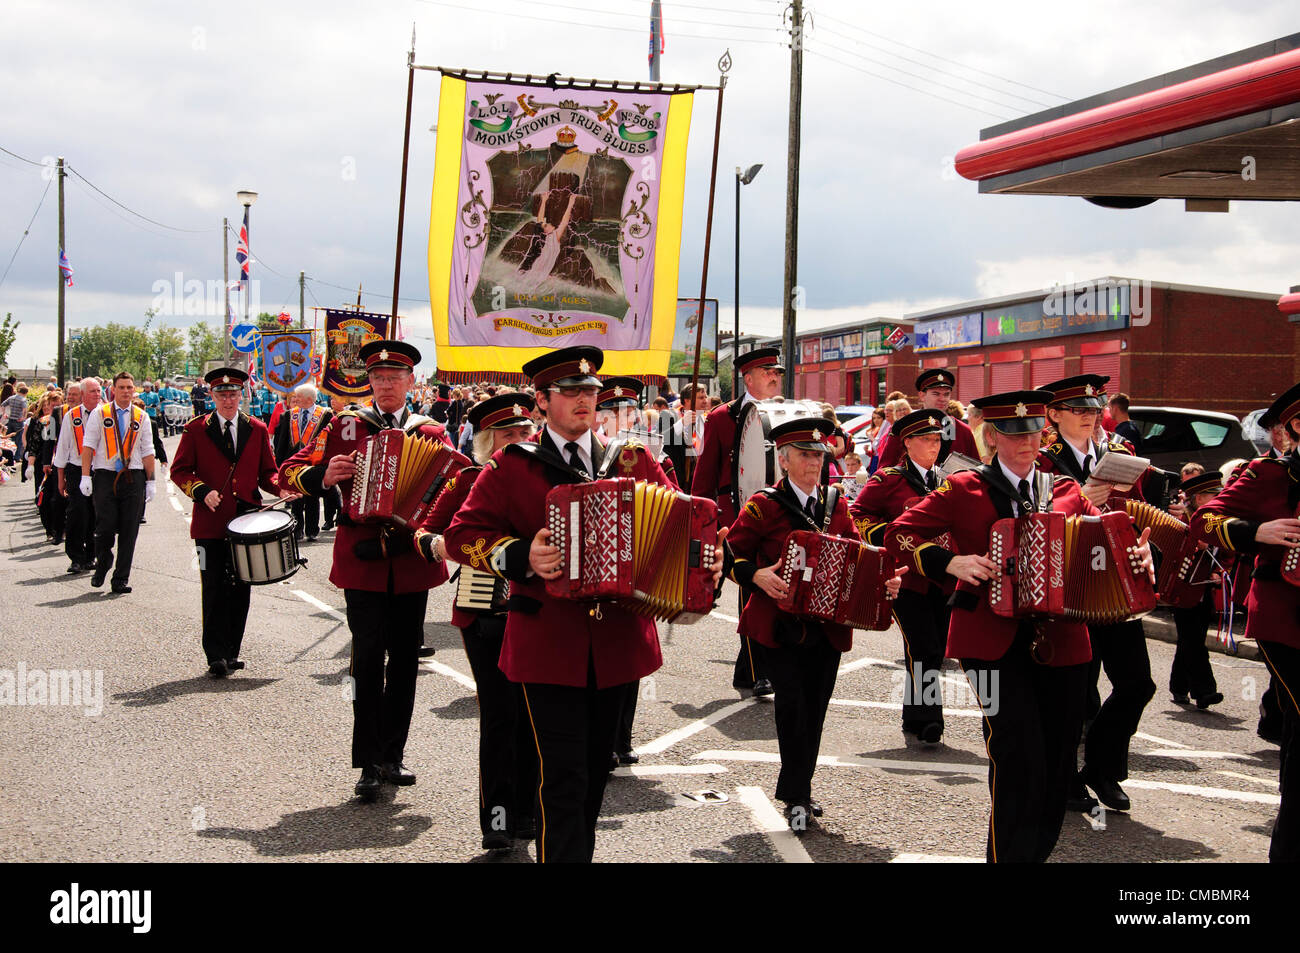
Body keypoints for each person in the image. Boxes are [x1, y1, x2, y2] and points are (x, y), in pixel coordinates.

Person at [444, 345, 721, 862]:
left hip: (618, 643)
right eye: (569, 392)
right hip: (546, 642)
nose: (583, 400)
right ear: (541, 403)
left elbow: (684, 526)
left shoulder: (632, 459)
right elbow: (462, 536)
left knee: (595, 772)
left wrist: (707, 565)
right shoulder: (512, 464)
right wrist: (523, 554)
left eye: (590, 391)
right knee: (563, 775)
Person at [885, 389, 1153, 863]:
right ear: (992, 437)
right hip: (988, 642)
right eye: (1015, 433)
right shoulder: (963, 488)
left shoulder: (1065, 491)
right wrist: (951, 562)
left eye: (1034, 431)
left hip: (1063, 642)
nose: (1028, 442)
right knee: (1017, 754)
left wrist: (1136, 553)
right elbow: (900, 533)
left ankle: (1034, 856)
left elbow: (1107, 537)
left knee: (1055, 761)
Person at [278, 341, 450, 801]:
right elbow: (287, 473)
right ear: (367, 382)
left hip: (411, 561)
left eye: (395, 378)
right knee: (369, 659)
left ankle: (394, 754)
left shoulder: (432, 430)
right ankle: (369, 762)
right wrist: (323, 476)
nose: (386, 385)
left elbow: (454, 487)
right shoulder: (343, 424)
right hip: (362, 559)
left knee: (407, 663)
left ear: (412, 382)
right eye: (378, 378)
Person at [727, 418, 898, 833]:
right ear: (784, 460)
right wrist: (758, 576)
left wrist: (885, 580)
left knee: (815, 710)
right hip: (778, 627)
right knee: (792, 705)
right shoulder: (764, 504)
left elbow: (858, 552)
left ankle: (800, 786)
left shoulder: (836, 502)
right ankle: (796, 793)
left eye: (819, 455)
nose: (814, 462)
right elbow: (730, 553)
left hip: (827, 627)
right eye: (805, 454)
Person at [416, 393, 540, 851]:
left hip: (536, 611)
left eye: (524, 432)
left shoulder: (547, 475)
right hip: (481, 608)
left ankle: (529, 808)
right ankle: (498, 817)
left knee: (535, 712)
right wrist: (446, 548)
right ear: (488, 440)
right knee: (499, 712)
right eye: (508, 434)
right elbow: (427, 530)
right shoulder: (468, 479)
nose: (519, 440)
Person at [1190, 380, 1300, 862]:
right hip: (1287, 620)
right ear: (1295, 427)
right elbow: (1205, 520)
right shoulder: (1269, 475)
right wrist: (1258, 531)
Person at [1036, 374, 1155, 815]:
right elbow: (1029, 519)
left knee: (1137, 683)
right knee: (1075, 693)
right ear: (1053, 415)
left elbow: (1138, 510)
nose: (1089, 416)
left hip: (1116, 580)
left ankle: (1102, 768)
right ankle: (1066, 779)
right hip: (1069, 579)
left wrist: (1145, 542)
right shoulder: (1043, 461)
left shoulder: (1120, 454)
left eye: (1093, 409)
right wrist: (1080, 498)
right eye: (1078, 409)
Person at [171, 368, 287, 677]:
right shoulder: (196, 429)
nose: (228, 399)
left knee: (240, 587)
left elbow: (268, 473)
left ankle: (232, 651)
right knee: (212, 587)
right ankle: (215, 654)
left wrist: (282, 488)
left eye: (233, 394)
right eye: (221, 394)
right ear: (211, 396)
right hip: (209, 525)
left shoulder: (257, 428)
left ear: (241, 396)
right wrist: (202, 491)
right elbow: (179, 471)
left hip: (246, 524)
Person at [852, 409, 953, 746]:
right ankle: (927, 720)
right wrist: (891, 537)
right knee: (922, 645)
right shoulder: (888, 479)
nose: (933, 445)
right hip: (905, 578)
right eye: (925, 439)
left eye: (937, 439)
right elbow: (858, 516)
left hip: (941, 576)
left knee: (936, 648)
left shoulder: (947, 479)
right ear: (907, 443)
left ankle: (916, 715)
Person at [691, 347, 786, 698]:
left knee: (775, 585)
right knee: (751, 585)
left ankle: (750, 669)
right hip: (738, 515)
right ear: (748, 378)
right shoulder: (720, 417)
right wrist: (701, 523)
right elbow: (704, 478)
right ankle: (759, 669)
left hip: (780, 513)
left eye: (777, 372)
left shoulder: (786, 411)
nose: (776, 377)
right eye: (768, 373)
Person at [79, 371, 156, 594]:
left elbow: (148, 450)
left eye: (129, 387)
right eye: (121, 387)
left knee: (129, 530)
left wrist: (151, 482)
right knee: (104, 528)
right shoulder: (100, 413)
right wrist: (85, 476)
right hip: (105, 476)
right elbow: (88, 446)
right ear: (113, 390)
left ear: (134, 390)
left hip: (133, 477)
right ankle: (103, 563)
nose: (125, 391)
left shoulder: (142, 416)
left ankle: (120, 578)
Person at [1165, 467, 1225, 709]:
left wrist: (1218, 572)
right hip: (1184, 589)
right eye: (1214, 494)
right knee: (1193, 641)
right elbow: (1171, 553)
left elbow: (1226, 553)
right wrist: (1193, 545)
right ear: (1199, 498)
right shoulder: (1182, 523)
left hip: (1205, 589)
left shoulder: (1216, 520)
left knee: (1192, 639)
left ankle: (1178, 686)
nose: (1219, 498)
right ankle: (1205, 691)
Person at [875, 369, 980, 469]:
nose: (942, 399)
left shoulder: (962, 430)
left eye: (946, 394)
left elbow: (975, 471)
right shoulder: (905, 427)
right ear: (922, 396)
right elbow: (885, 468)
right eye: (936, 394)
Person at [54, 378, 102, 573]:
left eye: (99, 391)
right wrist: (60, 478)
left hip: (100, 470)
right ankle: (76, 557)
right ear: (83, 395)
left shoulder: (107, 413)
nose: (97, 394)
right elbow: (63, 448)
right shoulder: (72, 416)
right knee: (77, 513)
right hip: (75, 469)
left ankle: (91, 555)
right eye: (92, 391)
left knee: (95, 515)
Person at [274, 384, 331, 543]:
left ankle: (312, 530)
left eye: (298, 397)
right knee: (296, 499)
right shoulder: (288, 415)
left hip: (314, 463)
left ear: (308, 399)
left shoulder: (325, 415)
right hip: (293, 463)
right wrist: (279, 464)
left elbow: (328, 441)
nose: (295, 399)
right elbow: (282, 442)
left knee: (312, 498)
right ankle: (298, 529)